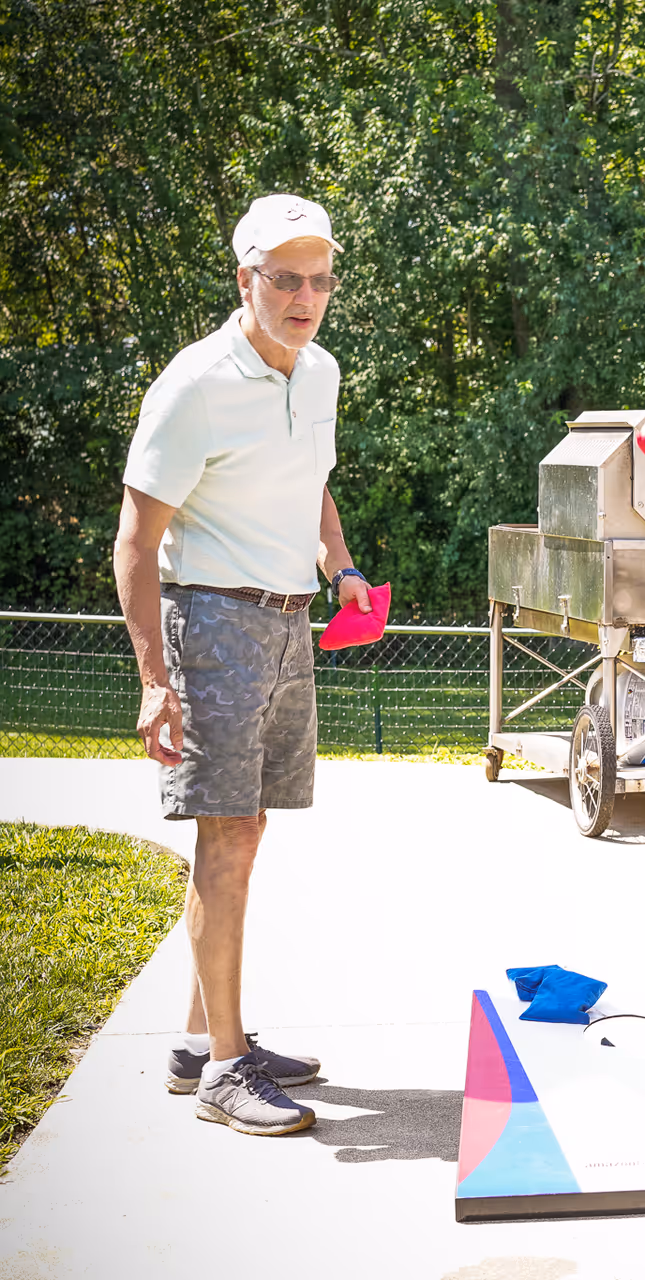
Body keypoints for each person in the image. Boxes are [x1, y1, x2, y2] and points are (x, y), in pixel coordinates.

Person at [113, 194, 371, 1136]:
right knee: (225, 836)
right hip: (211, 622)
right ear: (245, 281)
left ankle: (199, 1043)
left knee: (246, 831)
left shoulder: (322, 370)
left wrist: (338, 567)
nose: (307, 297)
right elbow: (136, 543)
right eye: (286, 279)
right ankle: (225, 1071)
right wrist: (153, 678)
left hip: (288, 621)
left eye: (320, 280)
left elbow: (313, 485)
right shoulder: (195, 386)